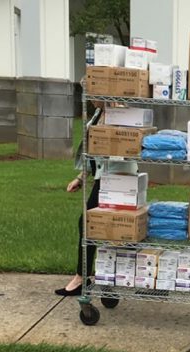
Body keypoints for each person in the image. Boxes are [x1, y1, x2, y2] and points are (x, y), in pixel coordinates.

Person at [55, 104, 138, 296]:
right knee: (93, 224)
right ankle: (90, 277)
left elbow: (126, 146)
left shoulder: (120, 113)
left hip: (117, 178)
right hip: (103, 177)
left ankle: (85, 278)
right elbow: (93, 153)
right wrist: (80, 178)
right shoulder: (100, 113)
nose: (91, 98)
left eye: (94, 93)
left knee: (93, 223)